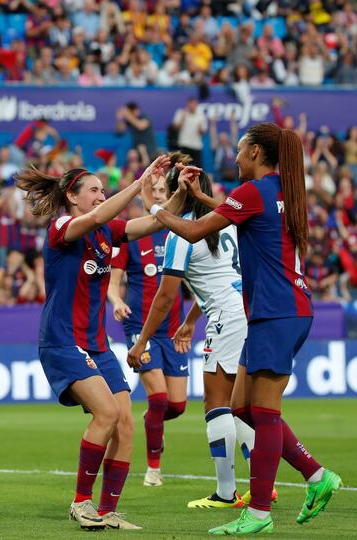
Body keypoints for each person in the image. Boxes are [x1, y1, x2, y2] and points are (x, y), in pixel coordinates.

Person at [137, 122, 342, 536]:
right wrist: (197, 196)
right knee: (242, 408)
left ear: (254, 154)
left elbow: (195, 230)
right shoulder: (282, 190)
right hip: (283, 309)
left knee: (263, 414)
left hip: (274, 312)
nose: (234, 156)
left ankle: (260, 511)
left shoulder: (253, 192)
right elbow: (240, 211)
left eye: (240, 150)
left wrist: (155, 209)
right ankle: (317, 475)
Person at [14, 155, 185, 531]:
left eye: (102, 191)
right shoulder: (63, 225)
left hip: (97, 345)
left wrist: (180, 193)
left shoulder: (108, 233)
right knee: (106, 414)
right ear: (72, 197)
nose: (99, 195)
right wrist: (138, 182)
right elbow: (95, 217)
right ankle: (81, 502)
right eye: (93, 190)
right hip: (62, 342)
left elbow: (157, 220)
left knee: (125, 423)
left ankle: (107, 510)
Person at [127, 164, 259, 510]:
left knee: (217, 405)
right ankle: (263, 488)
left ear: (177, 193)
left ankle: (226, 492)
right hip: (251, 311)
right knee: (242, 408)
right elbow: (217, 279)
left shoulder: (180, 235)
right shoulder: (225, 223)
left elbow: (166, 295)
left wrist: (141, 341)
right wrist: (188, 322)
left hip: (227, 320)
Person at [108, 153, 191, 488]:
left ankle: (152, 420)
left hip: (173, 331)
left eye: (161, 189)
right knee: (158, 398)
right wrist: (115, 301)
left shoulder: (180, 232)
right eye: (153, 189)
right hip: (140, 328)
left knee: (178, 405)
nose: (157, 194)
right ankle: (153, 469)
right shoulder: (130, 235)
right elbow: (113, 284)